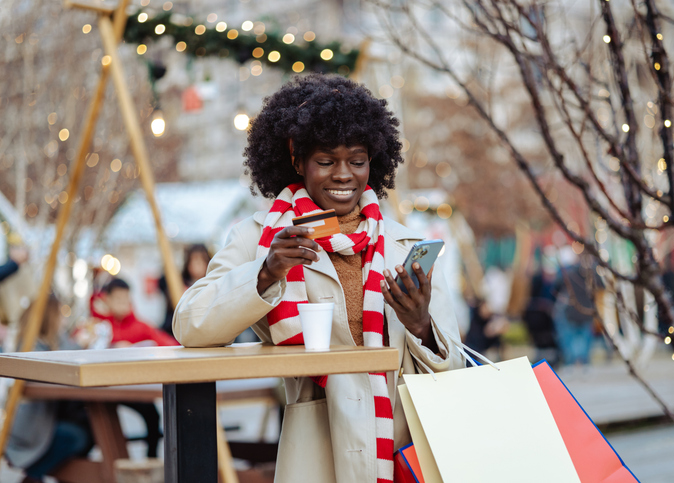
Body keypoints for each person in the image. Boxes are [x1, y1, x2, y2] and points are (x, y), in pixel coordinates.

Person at [173, 74, 465, 483]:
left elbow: (455, 369)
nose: (344, 175)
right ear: (297, 161)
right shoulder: (260, 239)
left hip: (409, 452)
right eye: (326, 161)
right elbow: (190, 323)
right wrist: (266, 271)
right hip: (320, 453)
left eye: (357, 161)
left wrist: (420, 325)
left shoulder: (404, 244)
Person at [6, 295, 94, 483]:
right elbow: (64, 362)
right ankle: (33, 475)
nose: (64, 319)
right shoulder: (31, 346)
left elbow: (72, 351)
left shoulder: (51, 341)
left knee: (88, 428)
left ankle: (55, 475)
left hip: (44, 422)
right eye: (61, 315)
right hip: (30, 427)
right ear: (50, 317)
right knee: (79, 435)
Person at [90, 278, 176, 457]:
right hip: (102, 387)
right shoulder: (96, 326)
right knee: (98, 416)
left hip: (131, 386)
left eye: (126, 300)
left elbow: (166, 343)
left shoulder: (140, 326)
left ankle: (151, 459)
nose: (123, 304)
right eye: (118, 300)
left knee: (152, 414)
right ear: (106, 299)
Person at [158, 244, 211, 335]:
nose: (196, 266)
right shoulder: (179, 284)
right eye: (192, 261)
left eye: (199, 261)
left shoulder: (212, 284)